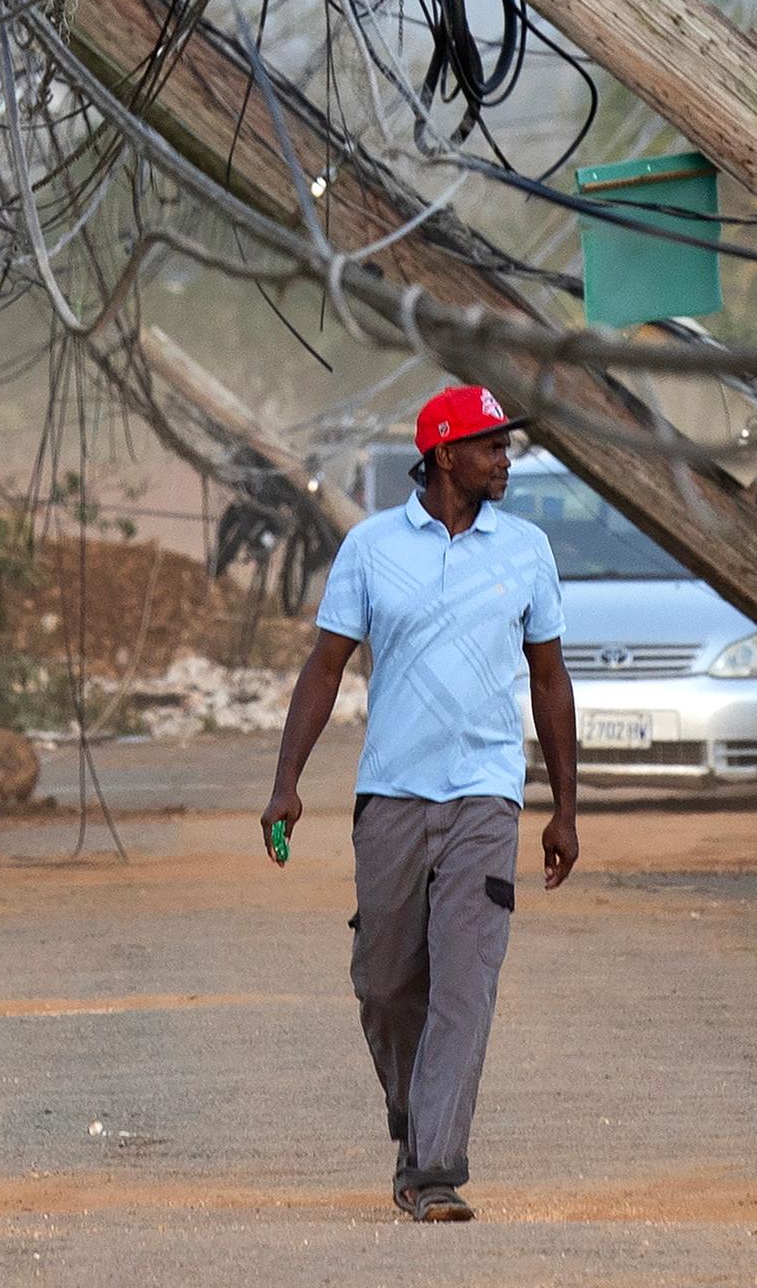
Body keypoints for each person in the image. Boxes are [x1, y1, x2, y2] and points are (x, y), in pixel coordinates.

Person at [262, 383, 579, 1223]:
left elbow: (549, 679)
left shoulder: (527, 550)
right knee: (386, 981)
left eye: (505, 447)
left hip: (486, 795)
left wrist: (566, 808)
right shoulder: (369, 549)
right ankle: (414, 1115)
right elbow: (325, 667)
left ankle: (432, 1169)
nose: (504, 461)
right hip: (392, 795)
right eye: (490, 447)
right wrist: (286, 783)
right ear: (444, 455)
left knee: (465, 982)